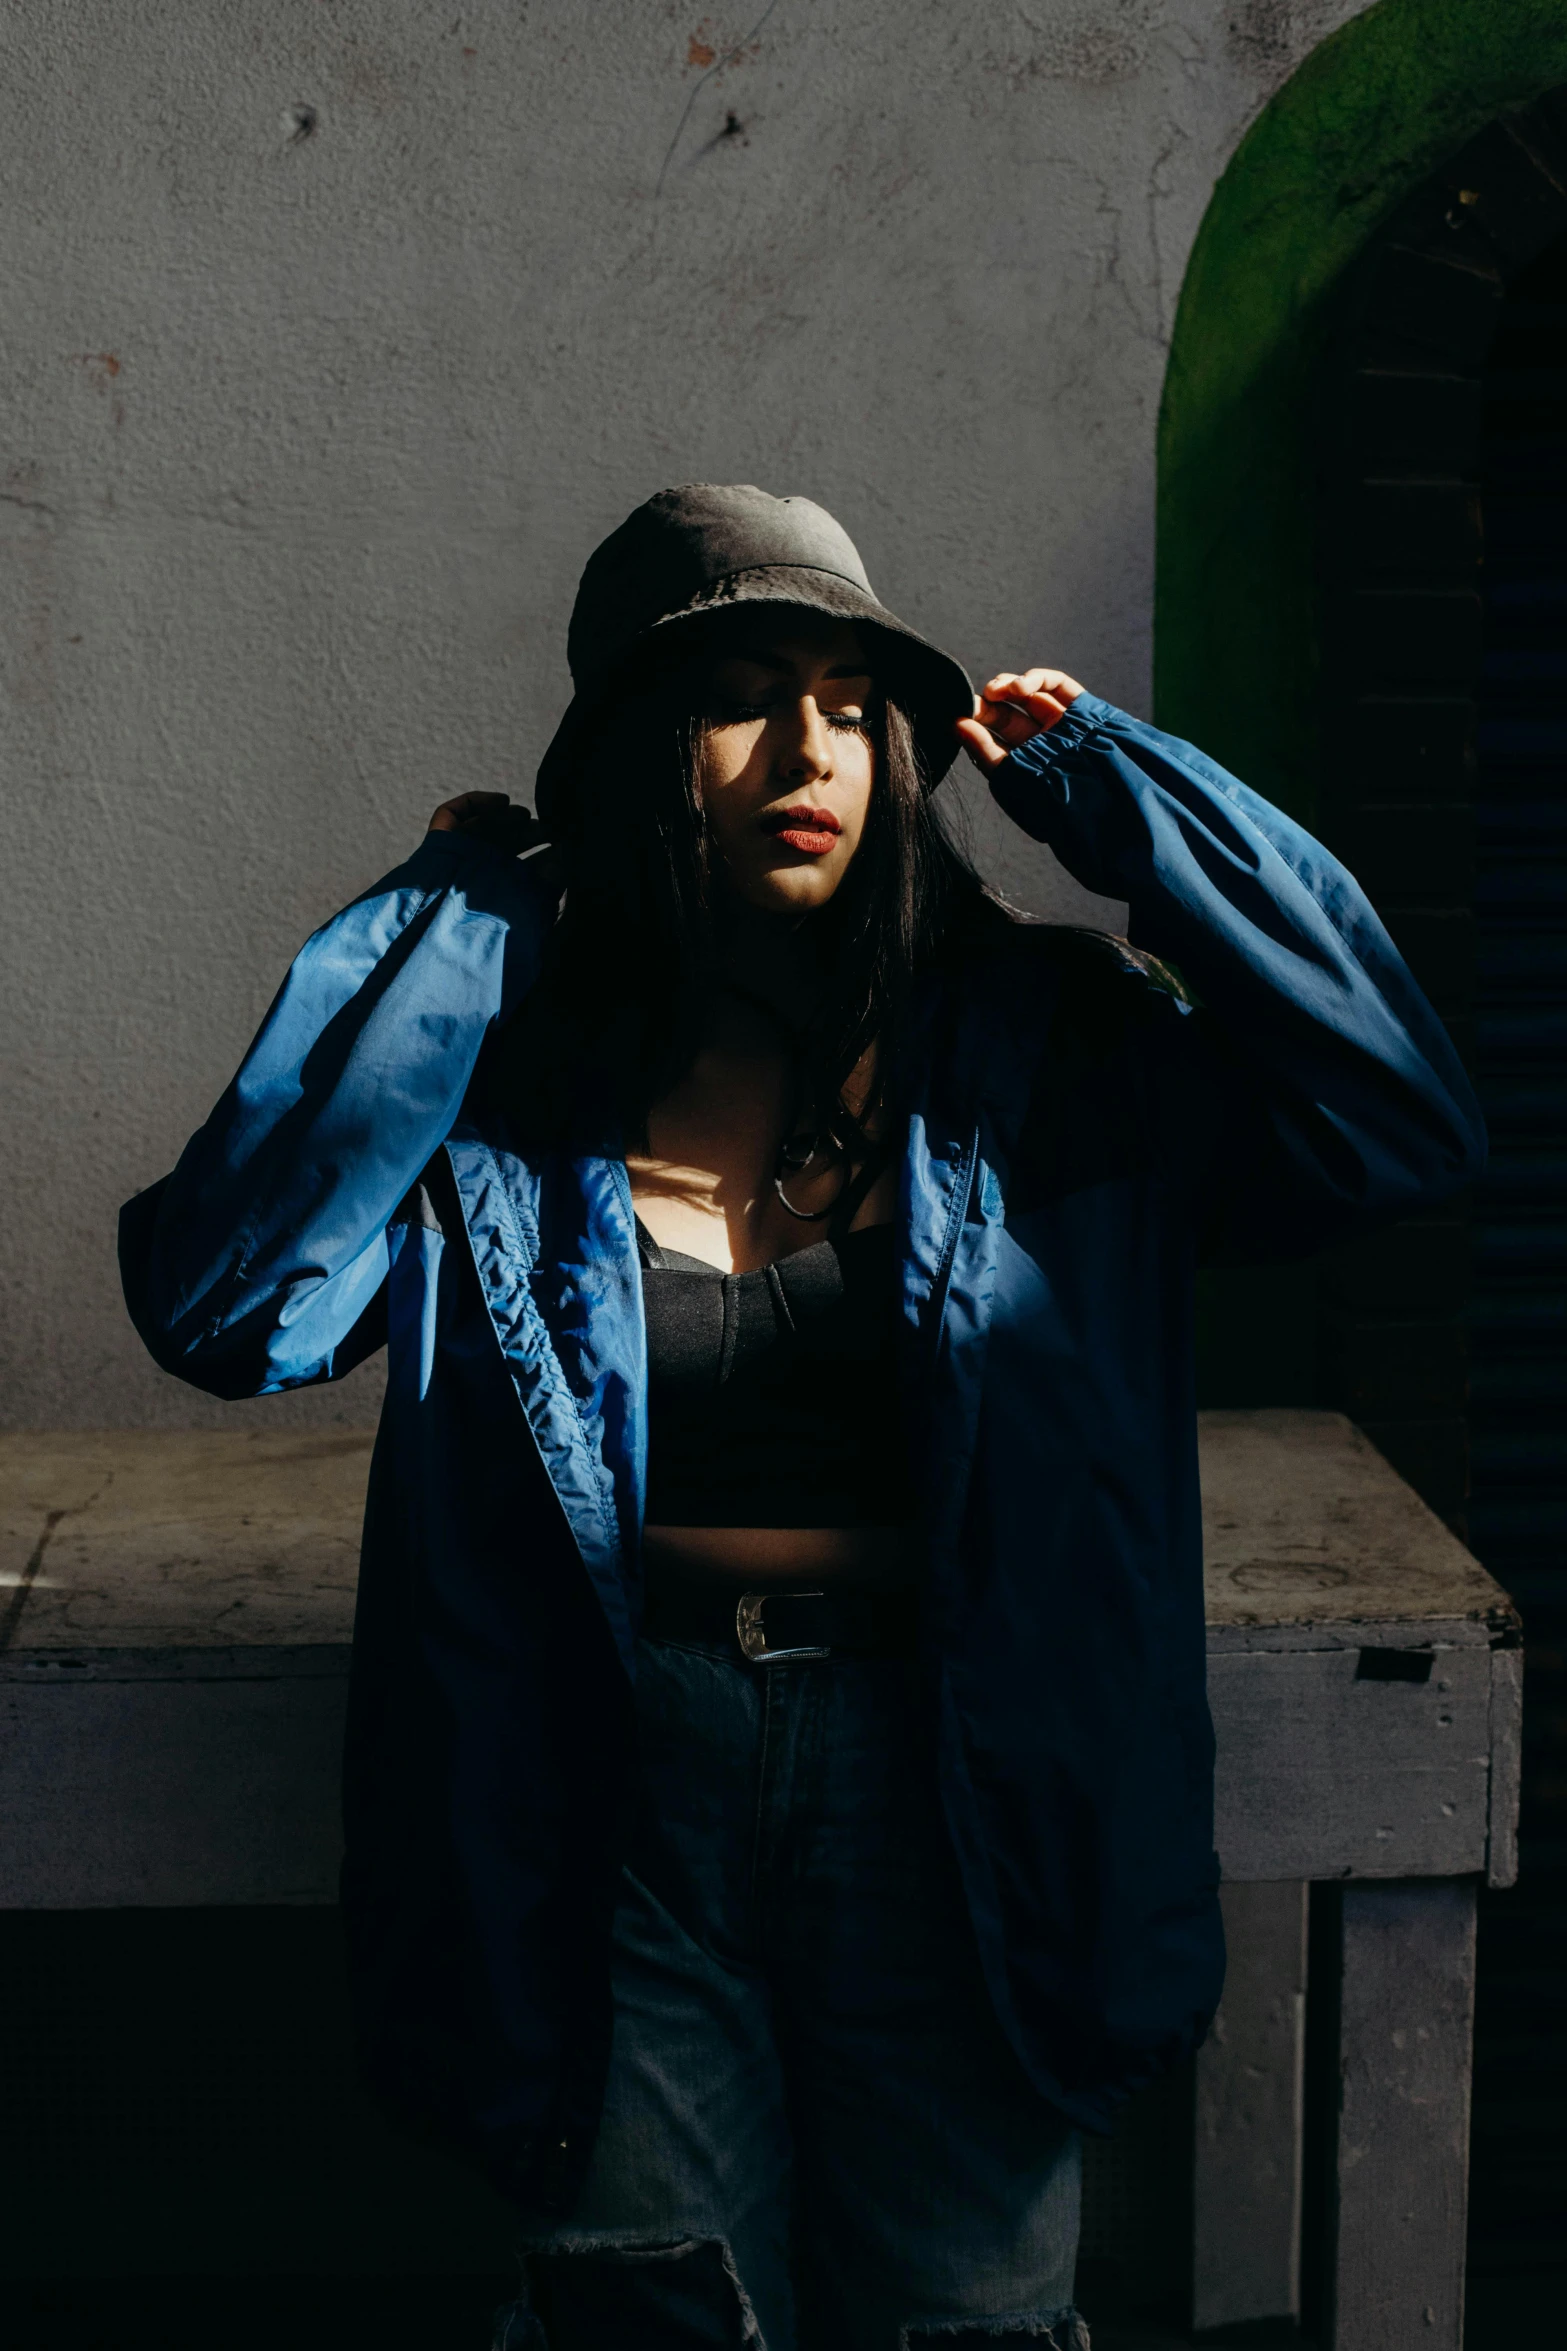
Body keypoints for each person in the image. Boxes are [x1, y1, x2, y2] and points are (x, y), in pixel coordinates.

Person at [120, 484, 1485, 2351]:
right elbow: (228, 1302)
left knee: (967, 2323)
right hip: (614, 1783)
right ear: (626, 755)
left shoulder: (1046, 1050)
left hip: (960, 1771)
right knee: (654, 2319)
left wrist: (1120, 794)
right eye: (740, 695)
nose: (810, 748)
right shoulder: (511, 1088)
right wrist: (446, 924)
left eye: (850, 698)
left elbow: (1396, 1118)